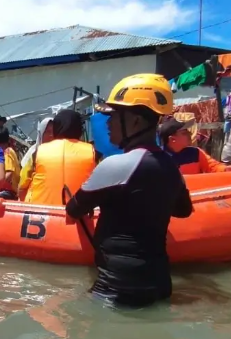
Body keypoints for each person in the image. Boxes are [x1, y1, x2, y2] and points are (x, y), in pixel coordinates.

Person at [64, 74, 194, 307]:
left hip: (116, 290)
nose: (107, 123)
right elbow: (183, 210)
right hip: (161, 286)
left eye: (113, 115)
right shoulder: (171, 167)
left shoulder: (116, 165)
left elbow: (73, 209)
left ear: (135, 120)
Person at [25, 110, 96, 206]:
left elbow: (23, 184)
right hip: (80, 214)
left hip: (45, 213)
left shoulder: (40, 151)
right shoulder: (90, 151)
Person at [158, 119, 231, 174]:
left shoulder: (196, 153)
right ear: (172, 139)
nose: (190, 133)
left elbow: (214, 168)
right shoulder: (158, 159)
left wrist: (228, 169)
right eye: (184, 132)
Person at [18, 117, 54, 200]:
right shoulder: (34, 154)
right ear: (41, 134)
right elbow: (23, 186)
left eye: (54, 132)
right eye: (48, 132)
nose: (51, 135)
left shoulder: (60, 153)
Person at [0, 126, 20, 199]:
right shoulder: (9, 151)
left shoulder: (7, 153)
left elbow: (9, 173)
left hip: (9, 191)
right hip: (7, 190)